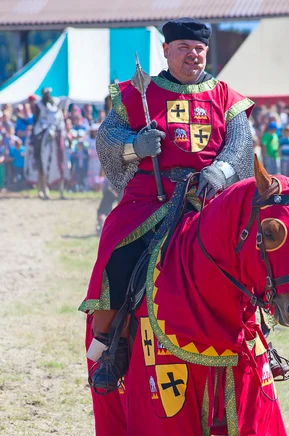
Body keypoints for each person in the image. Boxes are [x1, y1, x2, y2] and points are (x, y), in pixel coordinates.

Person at [80, 17, 254, 392]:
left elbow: (240, 148)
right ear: (166, 51)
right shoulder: (134, 94)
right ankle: (111, 344)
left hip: (207, 200)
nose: (193, 55)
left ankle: (258, 340)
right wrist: (134, 145)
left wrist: (221, 172)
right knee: (118, 252)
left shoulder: (226, 96)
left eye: (199, 49)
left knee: (254, 256)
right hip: (149, 199)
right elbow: (107, 140)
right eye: (184, 48)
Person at [24, 87, 67, 199]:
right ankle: (43, 188)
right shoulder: (39, 105)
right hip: (42, 130)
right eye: (45, 93)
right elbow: (36, 120)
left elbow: (60, 117)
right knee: (39, 151)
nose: (47, 95)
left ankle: (61, 189)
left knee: (62, 153)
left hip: (56, 130)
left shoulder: (57, 102)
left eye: (48, 93)